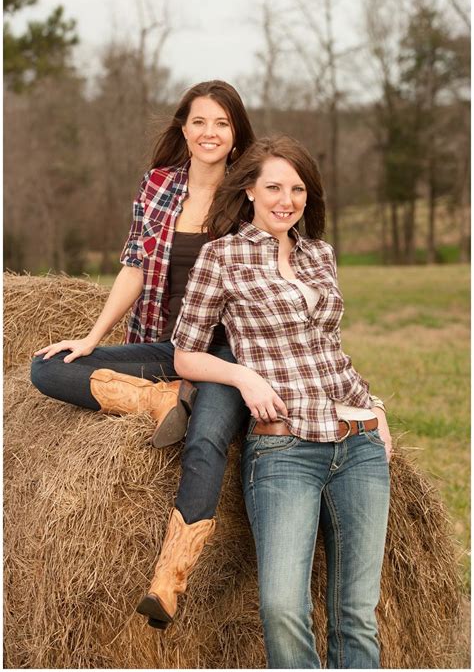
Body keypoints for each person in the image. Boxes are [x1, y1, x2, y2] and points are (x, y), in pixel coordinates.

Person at [30, 80, 255, 626]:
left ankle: (168, 580)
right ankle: (159, 401)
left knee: (205, 439)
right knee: (46, 368)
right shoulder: (158, 187)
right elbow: (134, 266)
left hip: (225, 357)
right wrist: (90, 337)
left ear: (235, 134)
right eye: (200, 121)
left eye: (221, 123)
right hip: (167, 348)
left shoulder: (247, 194)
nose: (209, 133)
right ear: (183, 128)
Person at [169, 135, 392, 668]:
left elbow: (328, 349)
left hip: (358, 443)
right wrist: (244, 376)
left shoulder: (321, 255)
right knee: (282, 606)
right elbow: (185, 354)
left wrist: (376, 409)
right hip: (284, 449)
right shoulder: (221, 258)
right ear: (248, 190)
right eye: (273, 186)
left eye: (297, 189)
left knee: (357, 613)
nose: (286, 199)